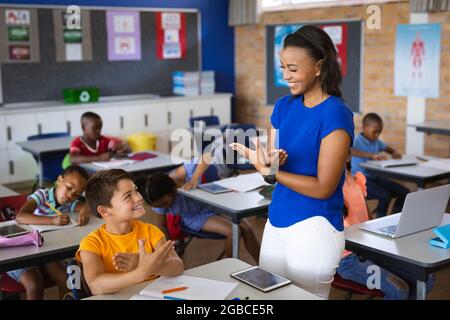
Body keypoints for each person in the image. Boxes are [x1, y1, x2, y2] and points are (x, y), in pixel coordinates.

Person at [230, 25, 354, 299]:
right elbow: (272, 167)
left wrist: (272, 174)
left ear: (319, 67)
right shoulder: (283, 106)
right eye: (282, 67)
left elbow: (323, 187)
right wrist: (268, 163)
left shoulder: (335, 113)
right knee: (269, 296)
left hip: (315, 227)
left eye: (293, 69)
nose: (286, 76)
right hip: (276, 221)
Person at [337, 159, 434, 299]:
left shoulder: (353, 179)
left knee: (427, 279)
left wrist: (381, 230)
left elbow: (367, 217)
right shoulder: (328, 186)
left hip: (371, 248)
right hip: (348, 259)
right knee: (399, 289)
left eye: (347, 150)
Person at [76, 169, 183, 295]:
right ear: (104, 211)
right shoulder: (91, 243)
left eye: (136, 191)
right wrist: (140, 273)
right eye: (128, 196)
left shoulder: (150, 231)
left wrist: (149, 265)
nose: (139, 197)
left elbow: (178, 266)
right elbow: (96, 286)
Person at [143, 170, 260, 263]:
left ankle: (262, 265)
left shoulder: (182, 176)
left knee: (247, 228)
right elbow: (163, 226)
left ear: (171, 191)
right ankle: (231, 268)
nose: (163, 207)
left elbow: (200, 158)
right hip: (194, 217)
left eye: (164, 204)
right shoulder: (158, 199)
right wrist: (169, 251)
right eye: (159, 206)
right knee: (233, 231)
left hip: (212, 206)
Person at [11, 165, 90, 300]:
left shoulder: (67, 203)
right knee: (35, 284)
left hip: (46, 251)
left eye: (76, 194)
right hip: (22, 251)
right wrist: (52, 220)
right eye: (69, 188)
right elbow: (20, 217)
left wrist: (85, 211)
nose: (71, 195)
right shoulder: (42, 195)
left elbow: (84, 206)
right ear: (60, 180)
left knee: (66, 279)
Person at [351, 112, 410, 218]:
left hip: (375, 178)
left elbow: (389, 149)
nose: (377, 135)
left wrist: (395, 153)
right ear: (364, 127)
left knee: (405, 193)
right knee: (385, 196)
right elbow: (348, 150)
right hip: (360, 180)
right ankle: (379, 221)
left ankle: (395, 219)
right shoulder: (356, 141)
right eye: (375, 132)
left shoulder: (376, 142)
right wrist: (371, 155)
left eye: (379, 132)